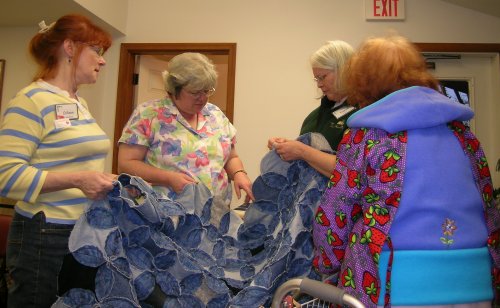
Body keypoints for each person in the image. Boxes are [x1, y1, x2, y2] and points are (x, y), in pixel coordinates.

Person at [312, 34, 499, 307]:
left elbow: (335, 213)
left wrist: (327, 267)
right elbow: (487, 206)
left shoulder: (367, 137)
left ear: (363, 83)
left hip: (394, 284)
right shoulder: (463, 135)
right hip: (473, 280)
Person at [0, 14, 115, 307]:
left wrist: (102, 180)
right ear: (70, 48)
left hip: (82, 232)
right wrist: (78, 180)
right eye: (97, 51)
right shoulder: (31, 100)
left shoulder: (77, 103)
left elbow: (73, 162)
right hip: (44, 236)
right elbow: (5, 176)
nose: (102, 61)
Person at [118, 52, 254, 206]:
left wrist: (239, 173)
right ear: (174, 88)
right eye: (195, 92)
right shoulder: (148, 114)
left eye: (207, 91)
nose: (202, 98)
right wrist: (168, 178)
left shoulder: (215, 114)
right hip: (167, 214)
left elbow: (231, 157)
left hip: (216, 213)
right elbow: (126, 164)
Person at [268, 40, 357, 177]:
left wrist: (301, 151)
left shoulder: (362, 115)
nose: (319, 85)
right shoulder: (313, 118)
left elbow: (352, 171)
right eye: (316, 79)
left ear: (344, 70)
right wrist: (286, 148)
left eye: (323, 77)